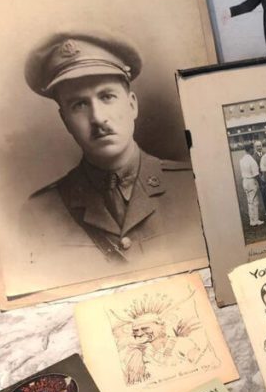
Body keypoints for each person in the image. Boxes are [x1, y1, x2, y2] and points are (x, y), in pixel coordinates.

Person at [23, 34, 202, 267]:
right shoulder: (39, 215)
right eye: (79, 105)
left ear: (132, 105)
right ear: (65, 120)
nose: (98, 118)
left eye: (107, 97)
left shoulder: (192, 186)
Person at [239, 142, 264, 228]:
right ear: (250, 149)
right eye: (252, 148)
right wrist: (261, 183)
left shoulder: (242, 160)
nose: (253, 150)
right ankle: (255, 220)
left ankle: (252, 220)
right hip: (251, 181)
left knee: (250, 201)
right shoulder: (251, 160)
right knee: (254, 201)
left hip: (245, 181)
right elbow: (256, 174)